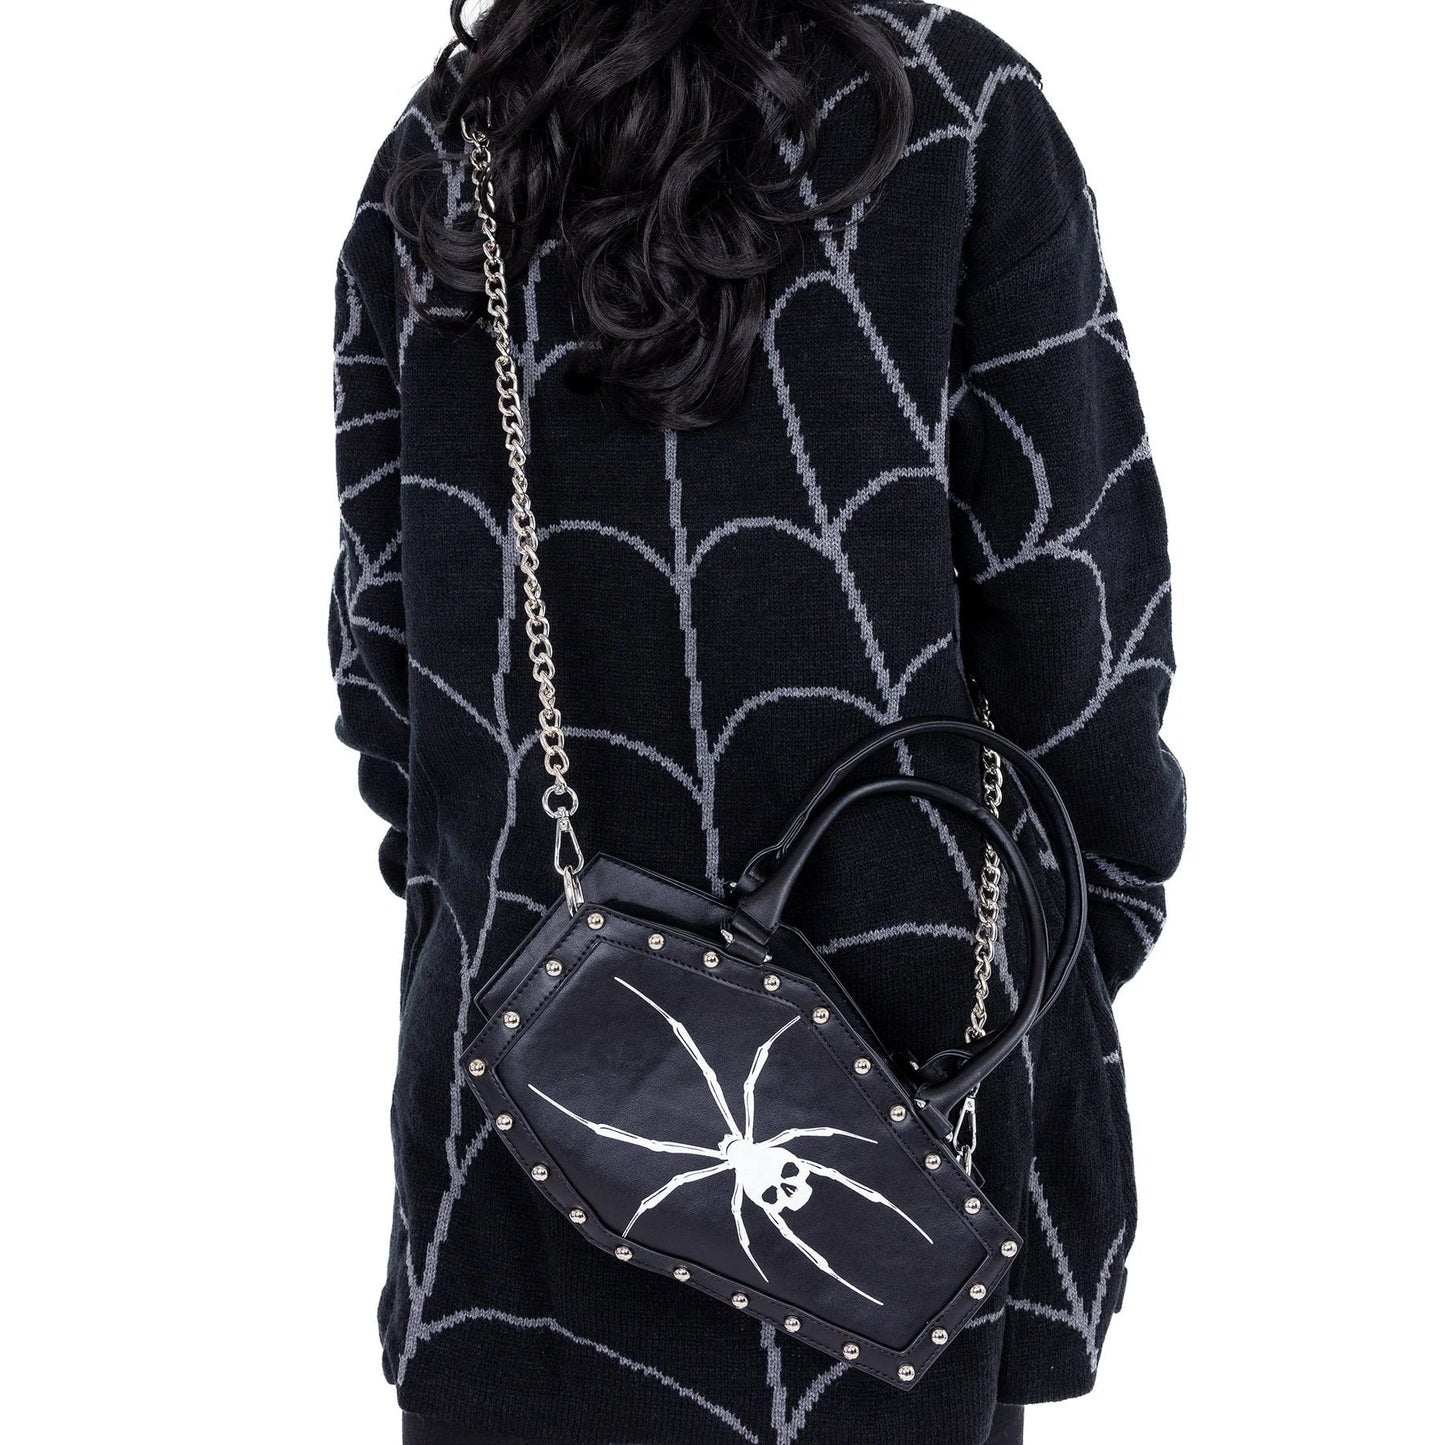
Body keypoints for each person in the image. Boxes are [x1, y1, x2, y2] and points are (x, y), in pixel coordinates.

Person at [329, 2, 1186, 1441]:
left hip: (530, 1123)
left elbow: (384, 678)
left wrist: (527, 944)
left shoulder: (451, 143)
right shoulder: (951, 110)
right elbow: (1082, 637)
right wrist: (1053, 977)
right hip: (905, 1133)